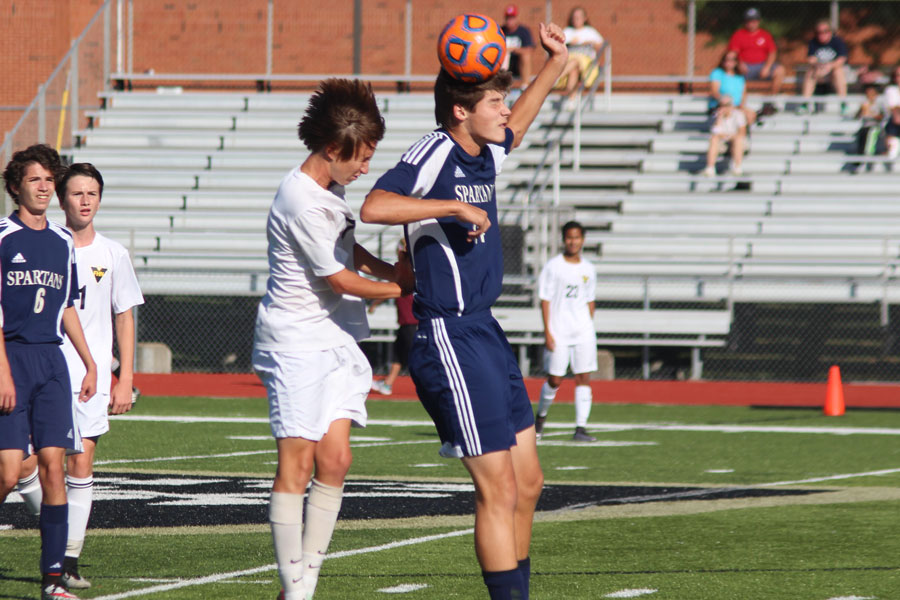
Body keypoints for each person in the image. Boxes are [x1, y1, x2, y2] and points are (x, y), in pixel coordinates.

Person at [361, 21, 569, 600]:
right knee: (497, 489)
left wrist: (556, 61)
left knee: (528, 483)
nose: (506, 111)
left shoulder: (486, 149)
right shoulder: (434, 152)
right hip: (446, 333)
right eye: (496, 101)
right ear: (460, 110)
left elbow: (520, 123)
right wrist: (451, 205)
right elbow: (374, 207)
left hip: (485, 329)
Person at [251, 78, 413, 600]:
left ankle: (305, 584)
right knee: (296, 464)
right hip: (296, 343)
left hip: (336, 337)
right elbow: (338, 280)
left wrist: (391, 270)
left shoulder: (329, 190)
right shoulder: (302, 200)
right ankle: (294, 589)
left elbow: (349, 247)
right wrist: (401, 288)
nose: (366, 167)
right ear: (330, 148)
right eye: (361, 157)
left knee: (337, 460)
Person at [14, 162, 145, 590]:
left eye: (92, 194)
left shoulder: (113, 254)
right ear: (61, 198)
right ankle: (55, 530)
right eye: (76, 193)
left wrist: (123, 376)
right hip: (41, 366)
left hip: (91, 377)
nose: (85, 201)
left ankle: (67, 558)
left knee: (80, 462)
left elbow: (124, 316)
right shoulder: (47, 244)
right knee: (24, 467)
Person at [0, 144, 97, 600]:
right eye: (34, 179)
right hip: (11, 359)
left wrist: (92, 361)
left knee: (55, 467)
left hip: (52, 362)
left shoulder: (63, 242)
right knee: (6, 470)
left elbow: (69, 307)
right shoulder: (2, 237)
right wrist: (2, 373)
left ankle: (53, 578)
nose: (43, 187)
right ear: (16, 185)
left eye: (48, 180)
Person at [534, 221, 597, 443]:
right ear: (563, 239)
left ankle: (581, 427)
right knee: (555, 379)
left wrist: (587, 327)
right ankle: (540, 419)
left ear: (583, 240)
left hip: (583, 332)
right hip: (559, 330)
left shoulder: (589, 268)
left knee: (583, 377)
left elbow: (591, 301)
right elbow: (545, 300)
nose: (573, 241)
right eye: (569, 237)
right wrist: (547, 332)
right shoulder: (553, 266)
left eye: (577, 237)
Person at [369, 240, 418, 396]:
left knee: (416, 358)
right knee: (398, 357)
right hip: (405, 324)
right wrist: (374, 305)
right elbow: (387, 291)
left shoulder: (412, 274)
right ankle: (387, 385)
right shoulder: (401, 275)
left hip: (413, 323)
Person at [728, 7, 785, 96]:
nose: (751, 23)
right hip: (744, 67)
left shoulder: (765, 35)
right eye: (748, 21)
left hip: (762, 66)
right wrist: (740, 63)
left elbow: (772, 53)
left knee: (780, 70)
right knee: (729, 71)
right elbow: (733, 52)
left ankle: (771, 100)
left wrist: (767, 67)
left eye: (754, 21)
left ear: (758, 21)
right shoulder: (738, 34)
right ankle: (734, 98)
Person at [556, 6, 603, 105]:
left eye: (579, 17)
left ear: (584, 18)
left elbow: (601, 46)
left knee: (576, 61)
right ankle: (571, 99)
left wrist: (587, 42)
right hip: (570, 60)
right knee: (574, 70)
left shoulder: (590, 31)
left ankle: (556, 77)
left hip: (586, 62)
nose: (576, 19)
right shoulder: (567, 31)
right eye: (574, 17)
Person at [799, 20, 848, 114]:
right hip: (819, 71)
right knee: (810, 72)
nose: (821, 35)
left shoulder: (837, 42)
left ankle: (843, 103)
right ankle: (804, 104)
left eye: (824, 31)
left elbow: (842, 59)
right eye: (818, 32)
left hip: (833, 71)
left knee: (838, 72)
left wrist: (830, 66)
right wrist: (819, 66)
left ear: (829, 32)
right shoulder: (813, 42)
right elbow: (811, 59)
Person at [702, 95, 747, 177]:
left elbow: (742, 133)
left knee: (738, 139)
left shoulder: (738, 114)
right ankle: (710, 167)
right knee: (714, 139)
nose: (723, 108)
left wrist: (728, 136)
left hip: (735, 141)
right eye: (721, 105)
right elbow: (715, 133)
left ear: (731, 105)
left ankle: (737, 166)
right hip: (722, 141)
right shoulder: (716, 116)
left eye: (726, 105)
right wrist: (719, 118)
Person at [709, 50, 756, 127]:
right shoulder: (717, 73)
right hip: (722, 105)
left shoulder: (739, 77)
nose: (729, 62)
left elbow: (743, 94)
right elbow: (714, 91)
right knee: (730, 114)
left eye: (733, 60)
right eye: (727, 59)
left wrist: (741, 105)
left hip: (736, 106)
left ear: (736, 62)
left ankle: (740, 135)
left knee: (750, 114)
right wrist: (724, 99)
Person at [501, 4, 535, 89]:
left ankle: (525, 85)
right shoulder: (501, 31)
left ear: (516, 18)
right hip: (504, 62)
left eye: (512, 18)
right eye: (508, 18)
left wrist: (513, 50)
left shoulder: (523, 31)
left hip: (518, 63)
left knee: (525, 56)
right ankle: (498, 85)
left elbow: (529, 49)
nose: (509, 21)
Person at [883, 66, 900, 159]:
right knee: (894, 121)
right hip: (893, 123)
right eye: (897, 75)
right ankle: (892, 149)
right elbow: (895, 112)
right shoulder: (891, 90)